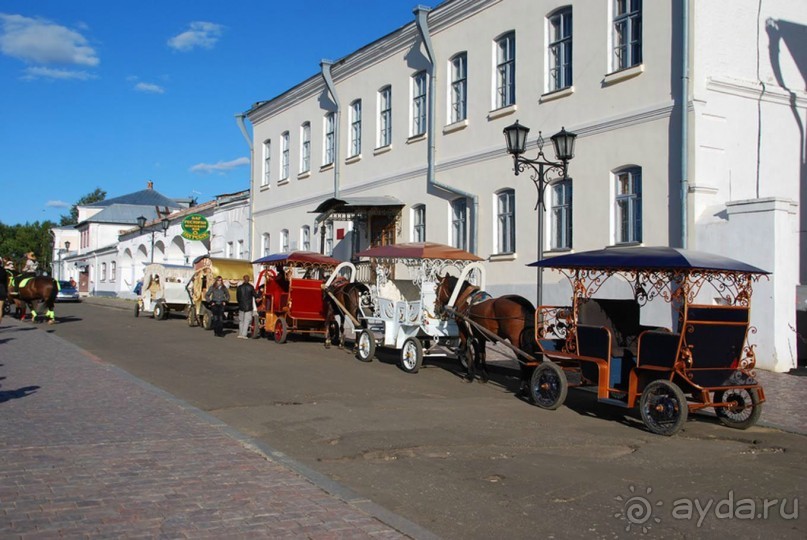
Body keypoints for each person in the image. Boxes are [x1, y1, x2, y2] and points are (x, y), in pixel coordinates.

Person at [236, 274, 259, 339]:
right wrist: (259, 296)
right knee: (247, 321)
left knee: (241, 320)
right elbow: (255, 295)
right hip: (248, 306)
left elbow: (237, 297)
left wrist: (240, 303)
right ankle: (244, 334)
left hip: (241, 306)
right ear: (248, 280)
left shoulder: (239, 287)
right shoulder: (251, 287)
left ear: (243, 279)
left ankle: (240, 333)